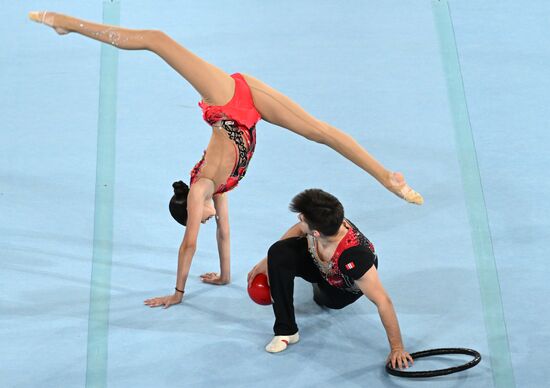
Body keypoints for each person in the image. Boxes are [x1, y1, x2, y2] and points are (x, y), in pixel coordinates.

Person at [29, 11, 424, 310]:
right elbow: (224, 234)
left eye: (198, 217)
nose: (207, 217)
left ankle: (64, 22)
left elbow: (189, 245)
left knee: (156, 40)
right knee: (318, 132)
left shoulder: (202, 188)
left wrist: (178, 292)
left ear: (190, 210)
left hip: (228, 101)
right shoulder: (221, 189)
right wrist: (225, 275)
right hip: (250, 109)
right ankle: (388, 177)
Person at [248, 189, 413, 369]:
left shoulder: (354, 257)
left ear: (316, 233)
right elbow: (299, 230)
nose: (299, 219)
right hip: (319, 262)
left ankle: (318, 288)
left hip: (337, 290)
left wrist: (397, 348)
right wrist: (269, 261)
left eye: (302, 218)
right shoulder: (325, 223)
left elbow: (383, 301)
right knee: (277, 252)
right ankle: (286, 330)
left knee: (323, 300)